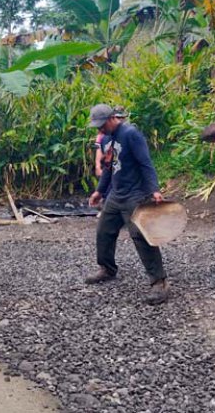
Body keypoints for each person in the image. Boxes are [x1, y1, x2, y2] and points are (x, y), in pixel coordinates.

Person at [86, 104, 169, 305]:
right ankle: (107, 268)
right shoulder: (106, 139)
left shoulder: (131, 134)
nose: (100, 130)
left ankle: (159, 282)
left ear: (112, 118)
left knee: (141, 236)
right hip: (116, 195)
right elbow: (108, 168)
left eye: (102, 125)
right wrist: (99, 190)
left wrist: (154, 190)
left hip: (135, 195)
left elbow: (145, 163)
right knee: (104, 231)